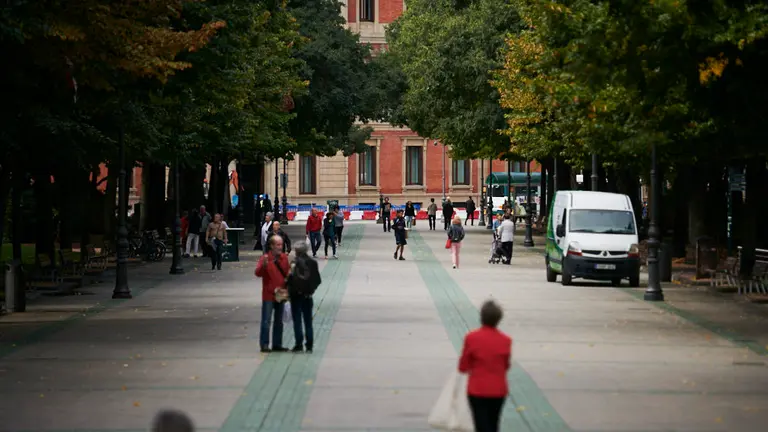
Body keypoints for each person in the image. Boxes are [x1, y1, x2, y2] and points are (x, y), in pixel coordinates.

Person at [459, 300, 512, 432]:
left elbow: (463, 366)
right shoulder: (506, 340)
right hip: (498, 390)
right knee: (494, 423)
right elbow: (506, 366)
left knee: (481, 424)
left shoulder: (471, 338)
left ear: (481, 317)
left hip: (477, 390)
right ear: (499, 319)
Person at [255, 235, 290, 353]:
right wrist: (264, 266)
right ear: (271, 246)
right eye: (278, 245)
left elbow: (288, 275)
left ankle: (277, 344)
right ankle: (264, 344)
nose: (280, 247)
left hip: (280, 294)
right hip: (268, 295)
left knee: (279, 321)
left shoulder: (284, 258)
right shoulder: (265, 258)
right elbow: (258, 273)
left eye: (281, 244)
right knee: (266, 320)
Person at [287, 241, 321, 353]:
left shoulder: (294, 263)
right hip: (307, 296)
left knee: (297, 320)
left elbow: (290, 279)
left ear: (296, 251)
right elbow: (317, 280)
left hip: (296, 296)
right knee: (308, 321)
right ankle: (309, 344)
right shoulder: (312, 263)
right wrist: (311, 290)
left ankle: (298, 344)